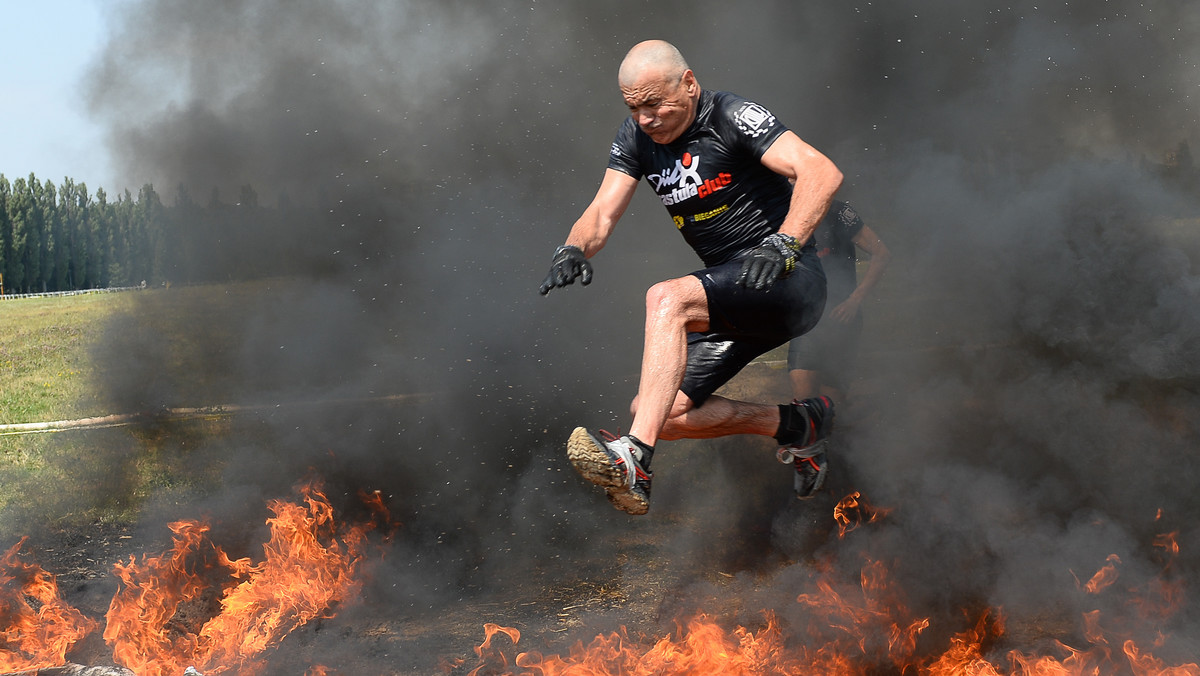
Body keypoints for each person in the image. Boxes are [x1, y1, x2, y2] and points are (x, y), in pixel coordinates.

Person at [538, 40, 842, 514]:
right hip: (732, 294)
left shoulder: (730, 115)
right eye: (634, 108)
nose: (645, 119)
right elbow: (601, 211)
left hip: (789, 279)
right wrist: (572, 247)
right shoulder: (636, 137)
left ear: (689, 83)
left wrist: (784, 243)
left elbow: (820, 172)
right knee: (660, 413)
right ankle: (796, 425)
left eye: (654, 104)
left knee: (667, 298)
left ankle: (635, 460)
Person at [788, 200, 891, 404]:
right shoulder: (782, 212)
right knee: (803, 398)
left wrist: (855, 300)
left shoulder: (838, 212)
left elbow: (882, 253)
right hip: (807, 322)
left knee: (832, 407)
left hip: (842, 318)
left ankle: (834, 433)